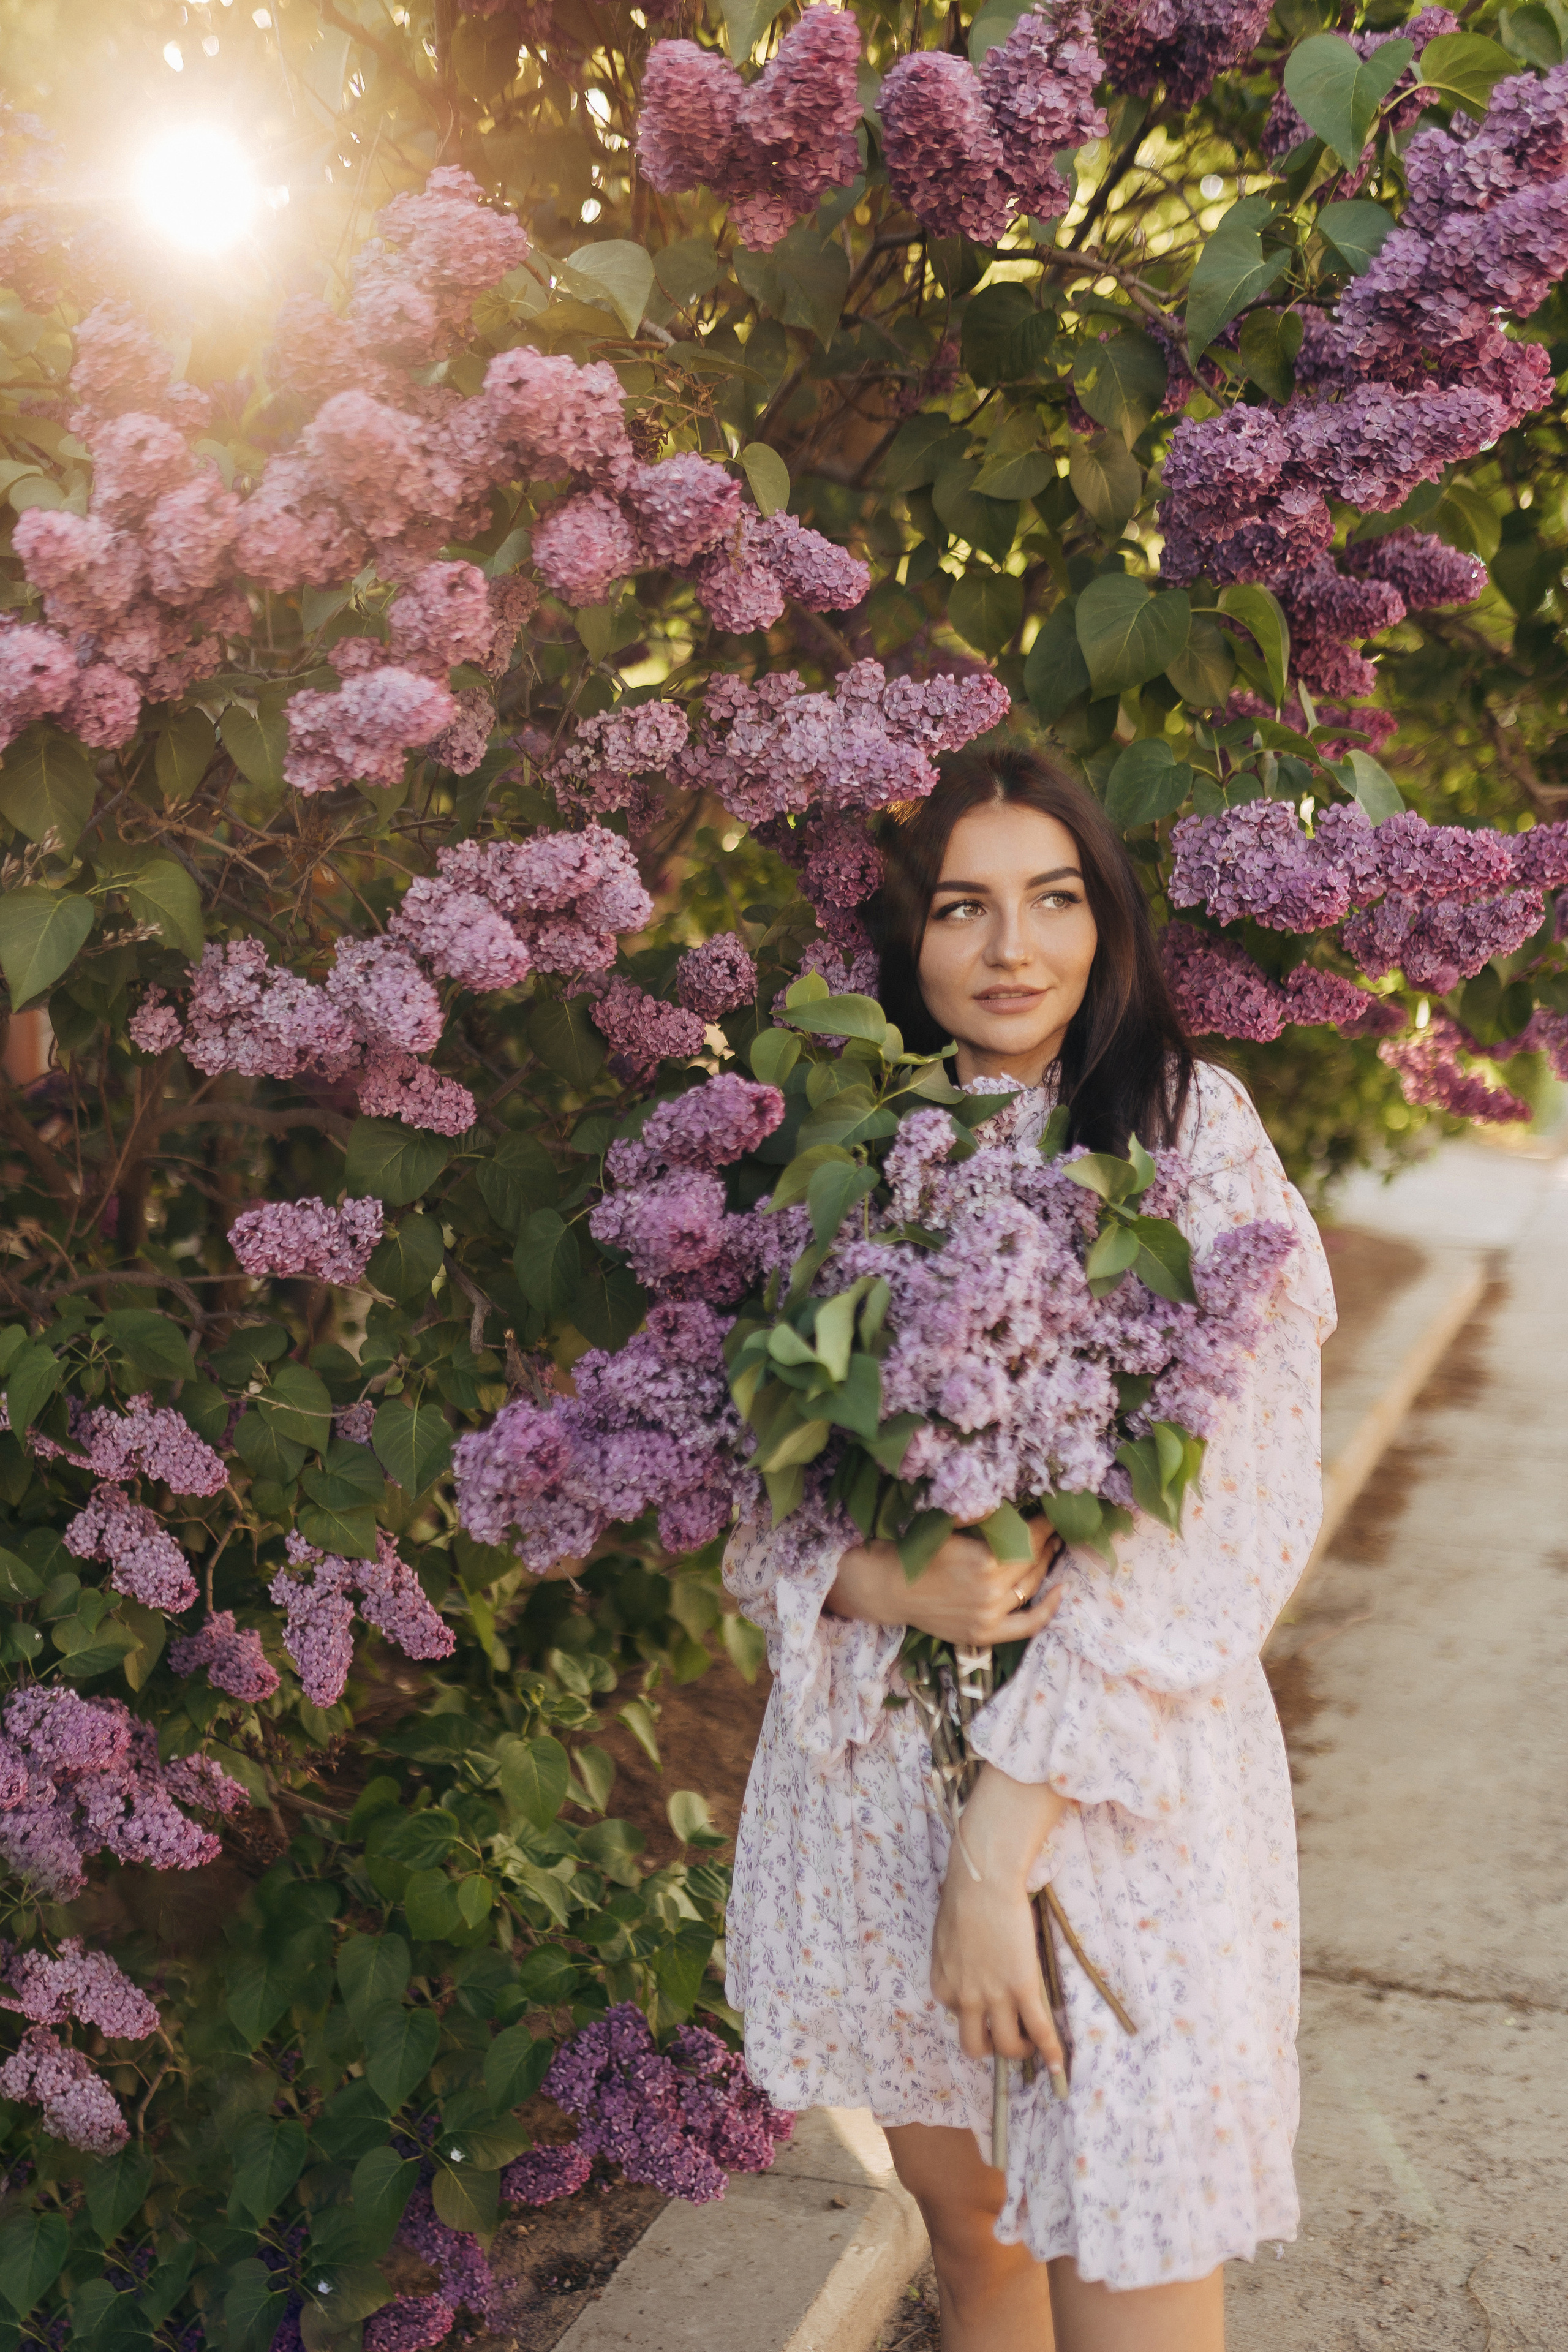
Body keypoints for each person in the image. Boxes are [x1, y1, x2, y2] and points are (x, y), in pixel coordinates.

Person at [723, 745, 1335, 2351]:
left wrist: (1004, 1853)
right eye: (965, 909)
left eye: (1054, 900)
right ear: (904, 942)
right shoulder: (842, 1150)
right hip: (878, 1801)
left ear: (1107, 919)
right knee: (975, 2242)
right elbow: (747, 1496)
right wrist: (870, 1578)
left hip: (1113, 1806)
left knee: (1136, 2254)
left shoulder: (1189, 1135)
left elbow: (1227, 1524)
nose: (1014, 951)